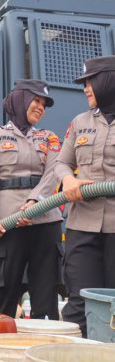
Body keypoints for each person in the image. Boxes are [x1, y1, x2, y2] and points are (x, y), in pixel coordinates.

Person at [0, 79, 62, 320]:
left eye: (44, 104)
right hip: (8, 224)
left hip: (46, 221)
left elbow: (54, 172)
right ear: (21, 99)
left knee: (46, 297)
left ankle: (43, 348)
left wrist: (36, 202)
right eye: (36, 100)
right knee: (5, 293)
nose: (40, 107)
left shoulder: (50, 137)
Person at [56, 55, 115, 336]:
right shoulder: (80, 122)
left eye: (90, 81)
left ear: (108, 81)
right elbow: (61, 162)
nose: (85, 88)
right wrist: (67, 179)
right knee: (79, 302)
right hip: (82, 227)